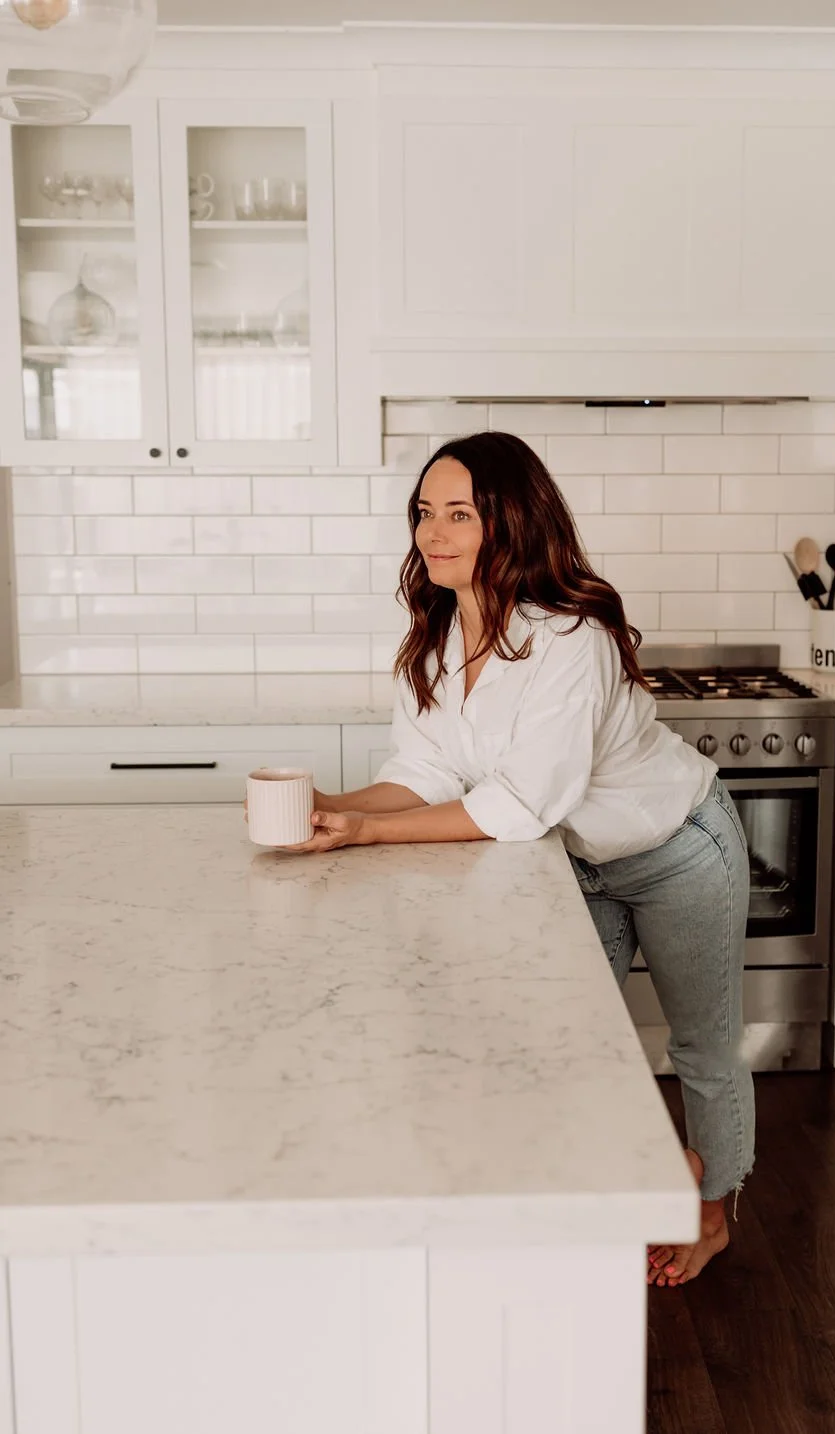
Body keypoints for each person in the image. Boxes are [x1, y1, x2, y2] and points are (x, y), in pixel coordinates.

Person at [286, 431, 753, 1287]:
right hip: (572, 863)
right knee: (567, 1046)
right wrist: (326, 810)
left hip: (676, 846)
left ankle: (712, 1211)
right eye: (425, 512)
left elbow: (519, 802)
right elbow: (421, 773)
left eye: (459, 513)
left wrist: (368, 835)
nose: (434, 531)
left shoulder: (570, 639)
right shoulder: (434, 640)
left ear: (512, 521)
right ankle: (610, 1192)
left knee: (703, 1047)